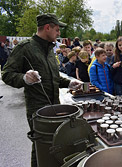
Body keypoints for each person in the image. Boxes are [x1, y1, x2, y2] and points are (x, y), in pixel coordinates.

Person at [1, 13, 82, 167]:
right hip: (37, 110)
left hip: (55, 106)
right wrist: (24, 78)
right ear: (47, 28)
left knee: (56, 146)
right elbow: (7, 74)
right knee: (40, 148)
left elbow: (52, 77)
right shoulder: (25, 48)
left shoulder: (50, 49)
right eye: (57, 30)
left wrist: (69, 83)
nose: (59, 33)